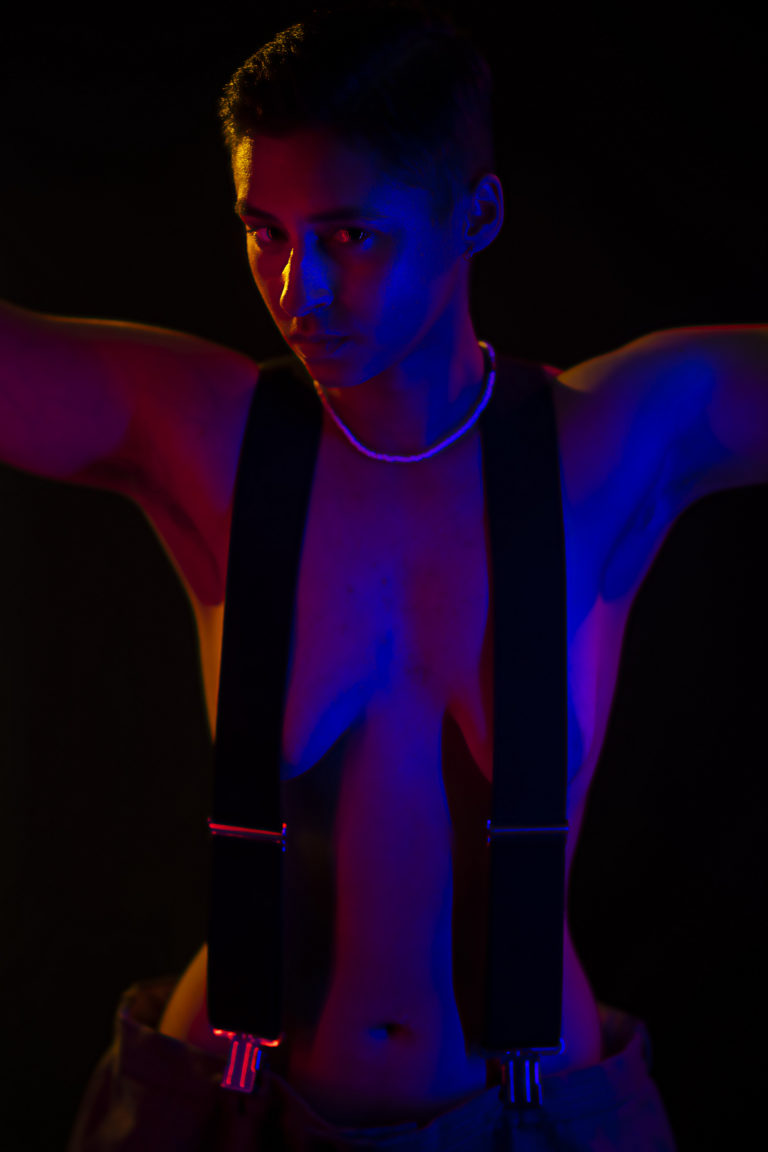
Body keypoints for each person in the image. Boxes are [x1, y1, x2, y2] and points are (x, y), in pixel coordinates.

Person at [2, 2, 765, 1148]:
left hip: (533, 1120)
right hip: (220, 1109)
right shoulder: (207, 436)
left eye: (351, 236)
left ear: (477, 215)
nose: (296, 288)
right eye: (264, 230)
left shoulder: (615, 441)